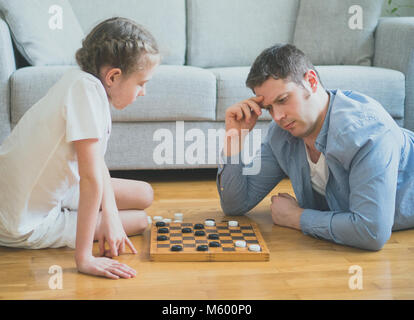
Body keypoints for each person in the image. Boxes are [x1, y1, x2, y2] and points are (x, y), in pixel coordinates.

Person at [0, 17, 160, 279]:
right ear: (113, 76)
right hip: (22, 219)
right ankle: (79, 233)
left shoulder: (83, 82)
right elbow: (90, 179)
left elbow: (95, 163)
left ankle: (87, 214)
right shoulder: (85, 92)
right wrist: (85, 258)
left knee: (144, 194)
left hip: (47, 190)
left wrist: (109, 212)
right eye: (141, 83)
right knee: (140, 221)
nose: (143, 92)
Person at [217, 44, 414, 251]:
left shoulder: (367, 134)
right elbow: (235, 205)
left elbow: (371, 232)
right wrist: (235, 137)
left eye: (283, 100)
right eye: (269, 108)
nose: (277, 117)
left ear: (311, 81)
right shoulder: (282, 134)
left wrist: (296, 217)